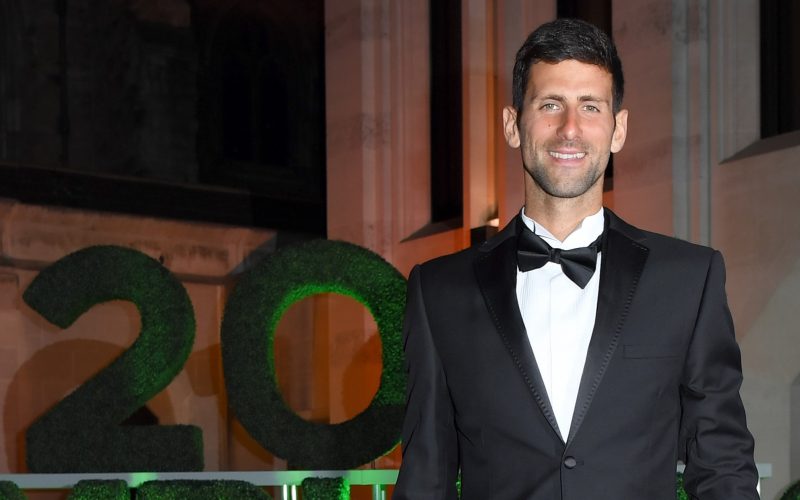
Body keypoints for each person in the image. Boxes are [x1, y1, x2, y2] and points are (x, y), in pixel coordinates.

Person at [393, 18, 758, 500]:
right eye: (550, 104)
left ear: (618, 129)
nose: (570, 129)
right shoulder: (438, 291)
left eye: (590, 106)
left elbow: (723, 466)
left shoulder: (688, 279)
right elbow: (425, 478)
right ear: (512, 125)